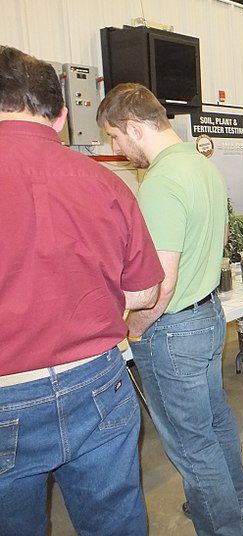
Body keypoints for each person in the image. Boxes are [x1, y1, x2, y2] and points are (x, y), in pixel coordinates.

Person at [0, 46, 164, 536]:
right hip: (97, 381)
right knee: (114, 522)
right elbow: (147, 290)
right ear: (62, 116)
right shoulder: (105, 183)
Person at [96, 84, 243, 536]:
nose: (117, 149)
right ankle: (233, 501)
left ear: (134, 127)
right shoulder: (203, 168)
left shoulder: (161, 182)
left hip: (172, 329)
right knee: (214, 421)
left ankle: (224, 526)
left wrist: (134, 332)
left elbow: (157, 287)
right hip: (207, 316)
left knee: (190, 443)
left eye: (115, 137)